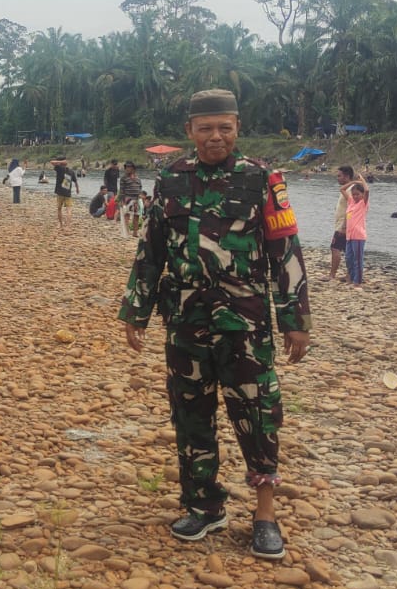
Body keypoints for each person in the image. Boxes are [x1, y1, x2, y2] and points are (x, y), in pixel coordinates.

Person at [119, 89, 310, 561]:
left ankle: (265, 515)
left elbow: (285, 251)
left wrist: (295, 318)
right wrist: (135, 309)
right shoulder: (170, 180)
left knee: (258, 413)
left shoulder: (263, 179)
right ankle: (204, 505)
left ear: (237, 127)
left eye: (224, 127)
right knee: (190, 413)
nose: (215, 136)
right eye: (206, 128)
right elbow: (152, 250)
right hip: (185, 320)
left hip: (244, 324)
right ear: (190, 132)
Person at [329, 166, 358, 280]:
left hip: (343, 225)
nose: (338, 178)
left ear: (347, 176)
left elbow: (351, 208)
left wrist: (345, 226)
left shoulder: (350, 189)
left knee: (335, 248)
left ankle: (332, 275)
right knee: (347, 250)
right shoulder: (348, 188)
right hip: (343, 224)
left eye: (339, 175)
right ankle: (349, 275)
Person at [344, 180, 369, 287]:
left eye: (357, 194)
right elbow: (342, 189)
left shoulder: (363, 203)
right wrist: (353, 182)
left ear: (362, 194)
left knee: (358, 259)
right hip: (349, 236)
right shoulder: (351, 202)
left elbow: (367, 190)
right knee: (348, 258)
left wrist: (362, 181)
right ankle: (351, 276)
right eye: (353, 194)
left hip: (358, 236)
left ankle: (357, 281)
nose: (355, 196)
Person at [52, 155, 79, 231]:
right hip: (68, 193)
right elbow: (75, 181)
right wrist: (77, 189)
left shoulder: (59, 168)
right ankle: (68, 226)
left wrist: (60, 162)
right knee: (69, 210)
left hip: (60, 192)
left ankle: (60, 225)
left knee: (59, 209)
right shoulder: (71, 171)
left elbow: (52, 162)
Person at [118, 161, 144, 237]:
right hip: (128, 198)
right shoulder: (123, 178)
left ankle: (135, 232)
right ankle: (126, 232)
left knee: (136, 216)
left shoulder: (138, 179)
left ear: (133, 169)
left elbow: (140, 188)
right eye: (126, 167)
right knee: (127, 215)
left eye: (129, 167)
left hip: (136, 199)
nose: (128, 169)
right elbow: (122, 190)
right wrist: (121, 201)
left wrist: (140, 195)